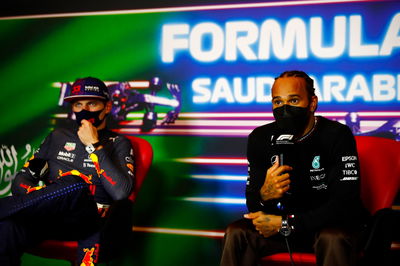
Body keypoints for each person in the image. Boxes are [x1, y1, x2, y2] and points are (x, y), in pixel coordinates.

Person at [220, 70, 368, 266]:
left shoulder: (337, 135)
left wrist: (287, 224)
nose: (285, 109)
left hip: (328, 227)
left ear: (312, 103)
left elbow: (343, 204)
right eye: (278, 102)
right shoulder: (260, 138)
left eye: (294, 101)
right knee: (237, 232)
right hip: (284, 228)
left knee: (332, 237)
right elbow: (254, 206)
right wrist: (264, 196)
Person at [0, 77, 135, 266]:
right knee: (6, 227)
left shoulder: (118, 143)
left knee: (75, 184)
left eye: (92, 103)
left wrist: (93, 145)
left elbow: (121, 192)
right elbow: (21, 181)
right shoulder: (58, 137)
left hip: (89, 223)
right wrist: (43, 197)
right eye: (78, 104)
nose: (84, 110)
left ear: (107, 107)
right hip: (50, 218)